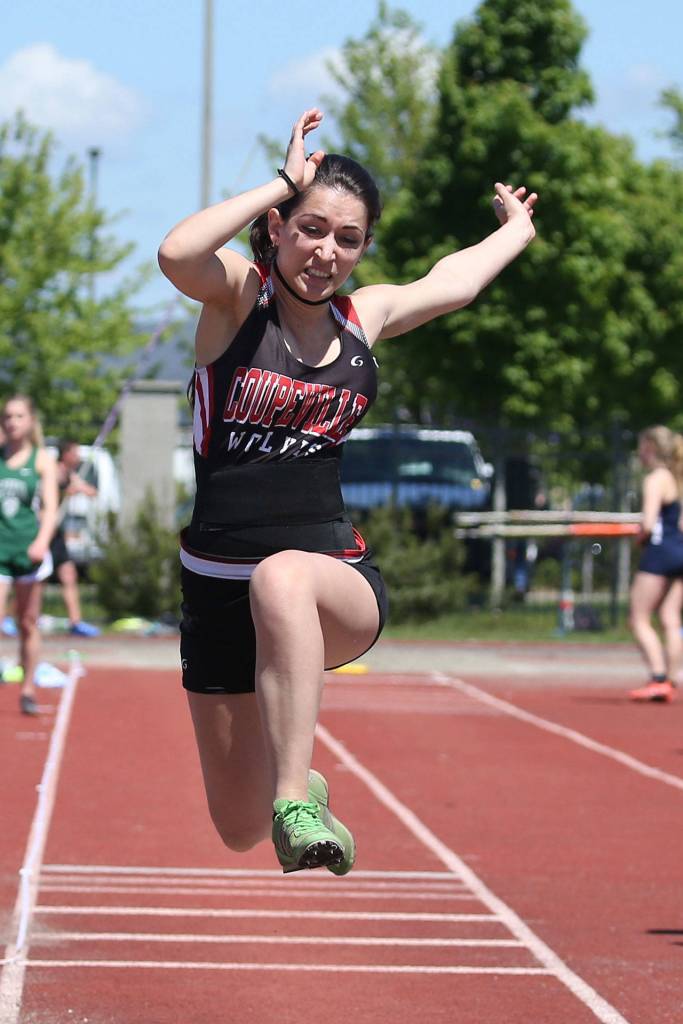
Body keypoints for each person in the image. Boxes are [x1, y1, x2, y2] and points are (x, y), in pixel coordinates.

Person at [158, 108, 537, 874]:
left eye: (348, 239)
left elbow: (450, 282)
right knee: (235, 828)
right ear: (276, 228)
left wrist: (514, 234)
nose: (326, 251)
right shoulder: (236, 299)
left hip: (330, 580)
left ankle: (295, 796)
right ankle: (296, 786)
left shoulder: (362, 321)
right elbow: (177, 252)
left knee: (283, 574)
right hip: (216, 589)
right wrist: (283, 179)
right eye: (311, 228)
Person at [0, 395, 58, 715]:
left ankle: (28, 688)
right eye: (7, 416)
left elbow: (49, 508)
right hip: (1, 548)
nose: (12, 422)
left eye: (19, 416)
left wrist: (41, 541)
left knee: (27, 622)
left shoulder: (40, 460)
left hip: (29, 550)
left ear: (30, 420)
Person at [628, 425, 683, 703]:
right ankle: (672, 678)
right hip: (680, 551)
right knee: (670, 618)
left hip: (660, 553)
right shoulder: (677, 478)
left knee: (638, 617)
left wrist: (639, 538)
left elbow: (649, 523)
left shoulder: (655, 479)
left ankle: (658, 677)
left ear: (649, 448)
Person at [50, 440, 101, 637]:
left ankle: (75, 622)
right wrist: (66, 490)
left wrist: (77, 487)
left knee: (68, 574)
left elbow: (92, 492)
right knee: (28, 580)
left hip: (56, 534)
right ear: (65, 454)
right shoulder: (55, 471)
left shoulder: (70, 474)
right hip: (42, 532)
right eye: (75, 452)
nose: (79, 456)